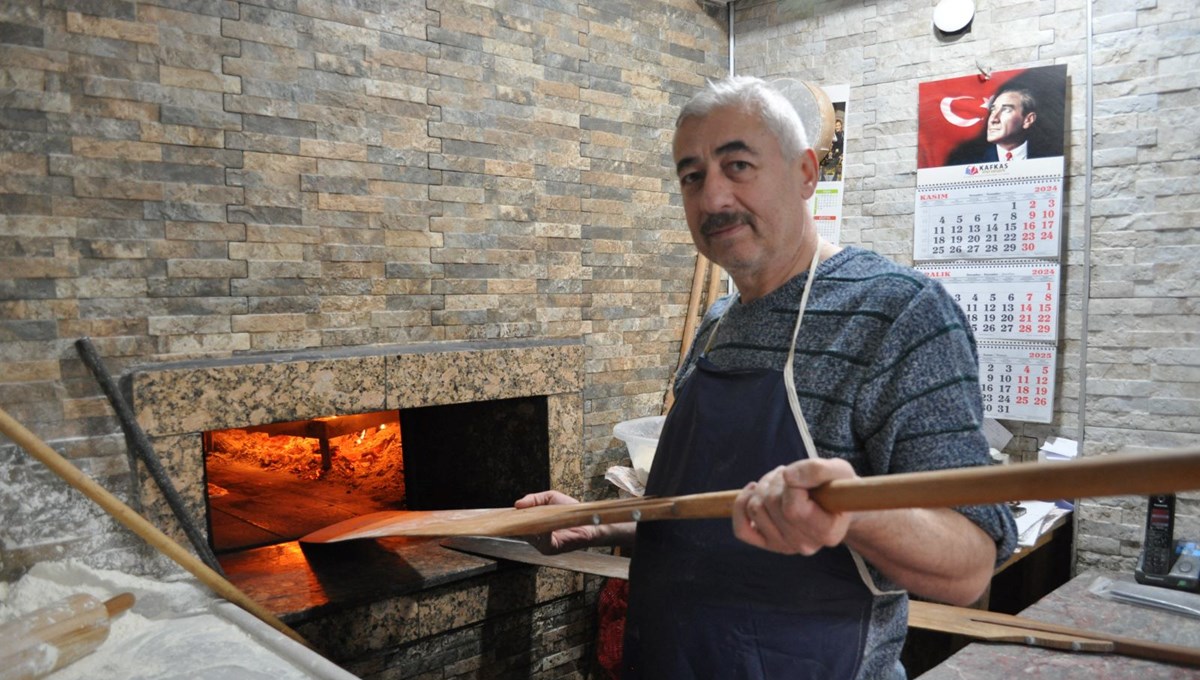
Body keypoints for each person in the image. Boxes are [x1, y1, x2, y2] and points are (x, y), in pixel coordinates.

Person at [517, 76, 1017, 679]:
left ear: (806, 172)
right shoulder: (719, 323)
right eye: (692, 176)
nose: (712, 198)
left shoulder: (898, 314)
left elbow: (970, 563)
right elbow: (707, 513)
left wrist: (852, 512)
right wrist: (595, 521)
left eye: (738, 165)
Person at [946, 86, 1043, 165]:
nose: (993, 119)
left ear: (1028, 120)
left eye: (1006, 110)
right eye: (993, 110)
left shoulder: (1050, 156)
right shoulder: (965, 161)